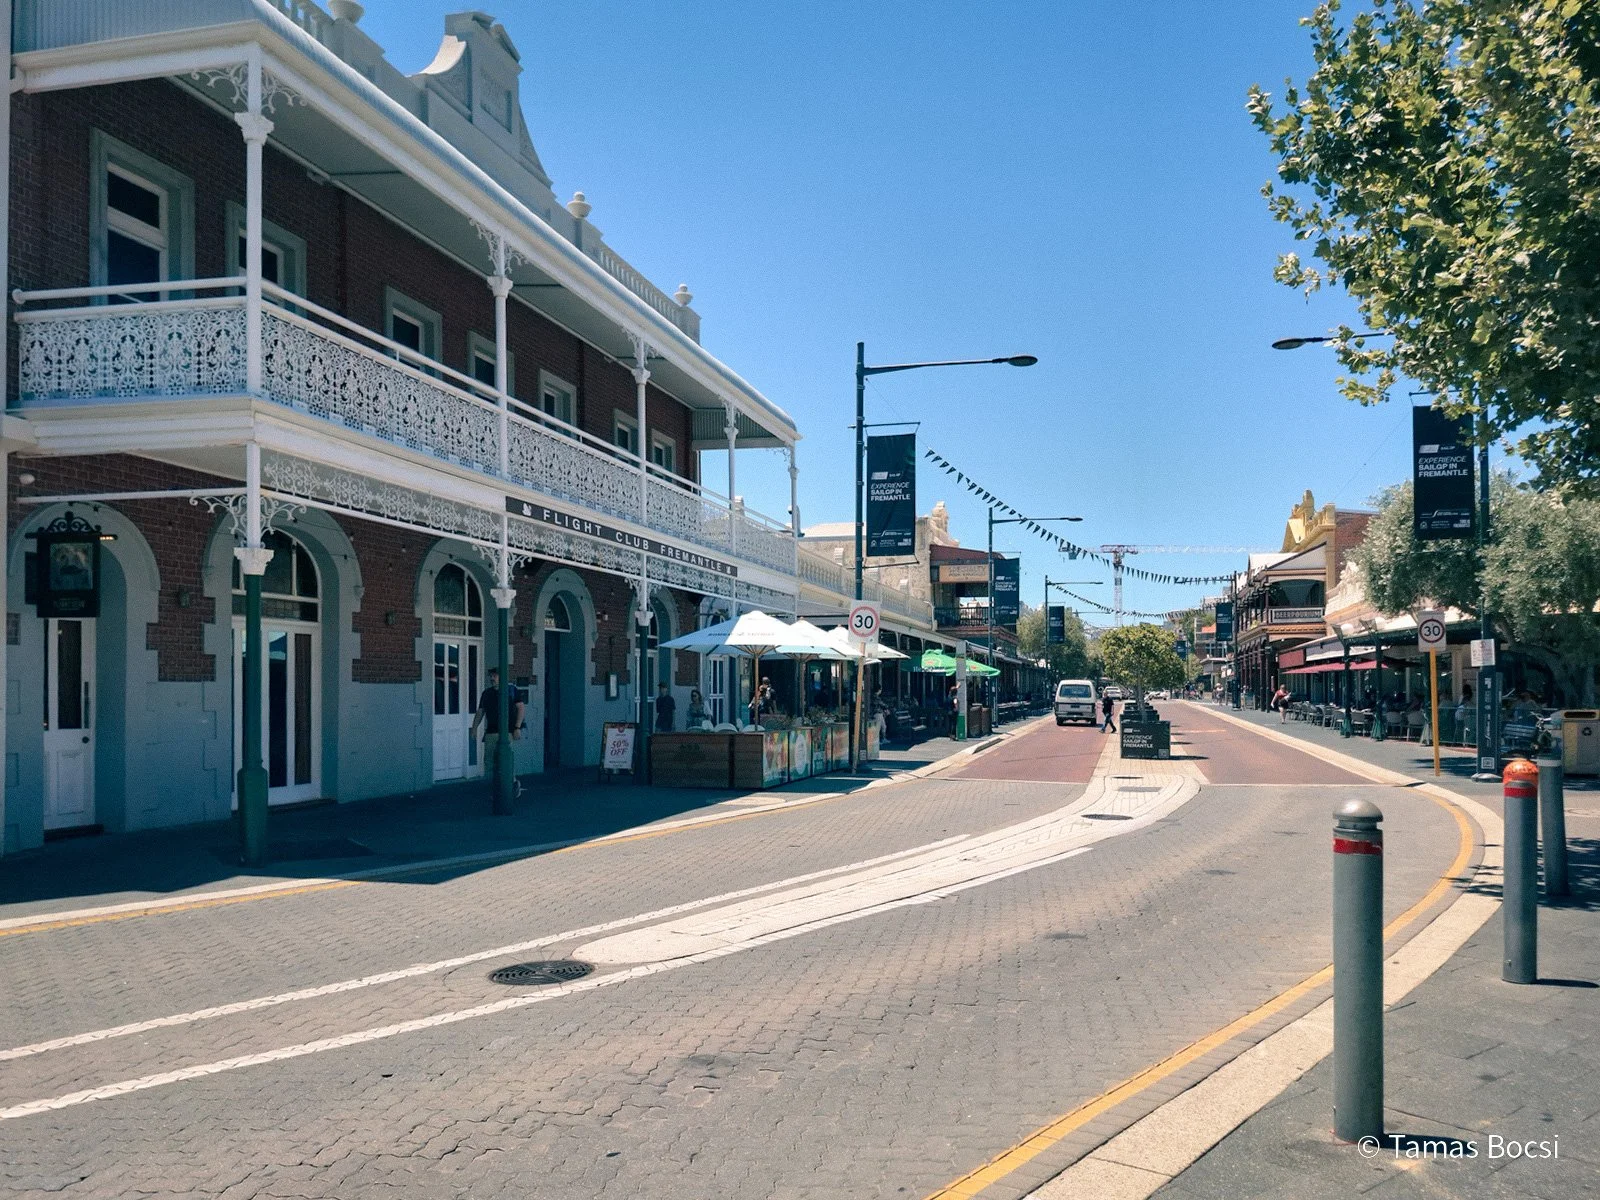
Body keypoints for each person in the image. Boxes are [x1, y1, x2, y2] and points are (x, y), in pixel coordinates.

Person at [470, 668, 524, 797]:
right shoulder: (487, 693)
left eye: (495, 675)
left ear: (502, 677)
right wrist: (474, 728)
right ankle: (498, 787)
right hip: (491, 732)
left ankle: (512, 784)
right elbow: (481, 711)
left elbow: (521, 708)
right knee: (490, 761)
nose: (492, 678)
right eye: (491, 676)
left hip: (507, 732)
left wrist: (517, 727)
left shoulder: (511, 691)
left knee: (506, 760)